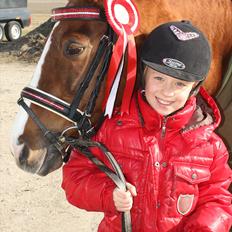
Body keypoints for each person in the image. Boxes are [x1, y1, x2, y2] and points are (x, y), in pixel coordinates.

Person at [61, 21, 232, 231]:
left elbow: (217, 199)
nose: (167, 92)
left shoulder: (211, 147)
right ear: (143, 74)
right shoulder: (110, 129)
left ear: (195, 87)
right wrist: (108, 195)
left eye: (180, 84)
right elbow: (74, 178)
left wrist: (205, 228)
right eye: (159, 78)